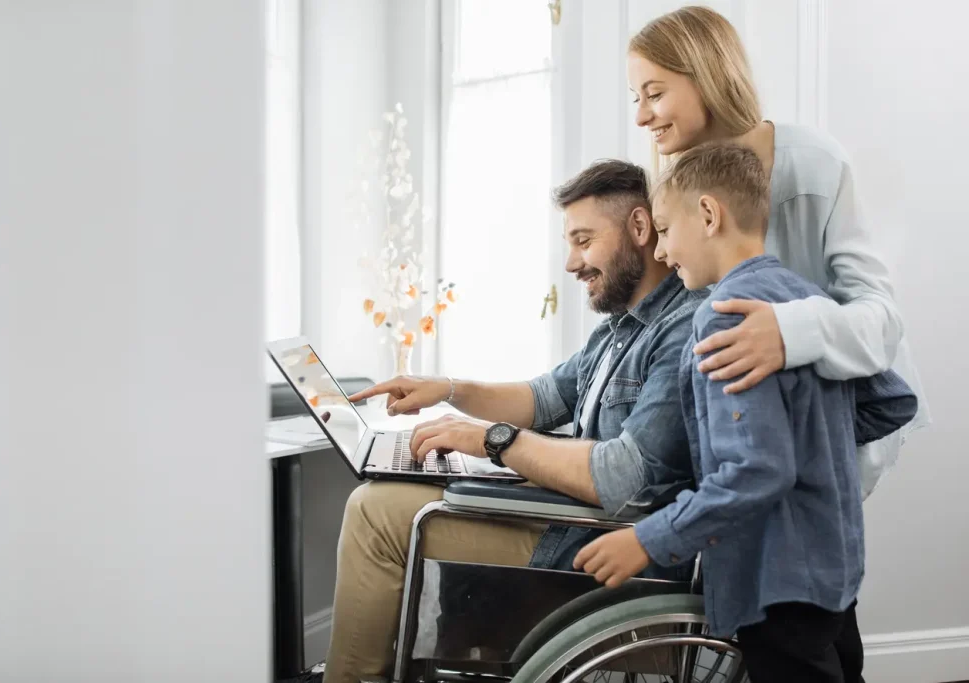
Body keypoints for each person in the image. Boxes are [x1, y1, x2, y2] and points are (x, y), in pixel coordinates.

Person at [322, 160, 705, 683]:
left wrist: (492, 441)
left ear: (639, 229)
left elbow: (623, 477)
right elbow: (543, 397)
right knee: (390, 494)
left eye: (584, 240)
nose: (571, 263)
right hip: (569, 520)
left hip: (598, 547)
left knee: (375, 513)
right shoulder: (621, 329)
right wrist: (449, 390)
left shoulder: (681, 328)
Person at [574, 143, 918, 683]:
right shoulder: (803, 299)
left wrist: (647, 538)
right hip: (835, 566)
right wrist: (814, 439)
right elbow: (893, 399)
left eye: (664, 230)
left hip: (774, 577)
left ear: (709, 215)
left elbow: (757, 470)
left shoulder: (723, 318)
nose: (661, 252)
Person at [625, 5, 928, 496]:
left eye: (654, 94)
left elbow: (882, 323)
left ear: (707, 76)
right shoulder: (676, 193)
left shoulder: (813, 163)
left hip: (833, 438)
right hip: (743, 445)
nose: (640, 116)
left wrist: (788, 333)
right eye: (635, 98)